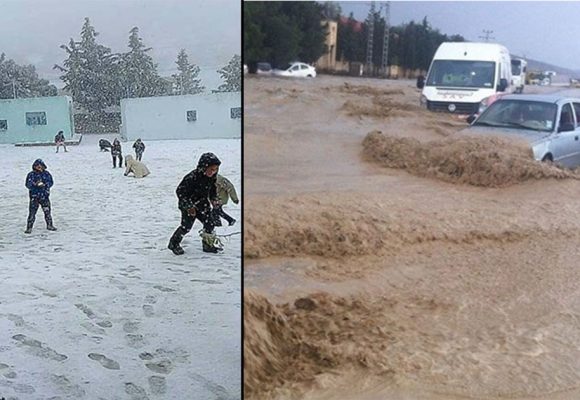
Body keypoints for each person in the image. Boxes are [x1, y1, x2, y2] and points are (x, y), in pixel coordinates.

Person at [168, 152, 223, 255]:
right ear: (203, 167)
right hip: (188, 205)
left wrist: (214, 199)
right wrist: (188, 206)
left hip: (202, 203)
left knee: (209, 223)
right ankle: (174, 243)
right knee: (186, 226)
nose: (213, 172)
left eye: (215, 169)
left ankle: (207, 244)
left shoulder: (211, 178)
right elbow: (180, 192)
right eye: (211, 169)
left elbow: (212, 190)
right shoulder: (191, 177)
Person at [25, 159, 56, 233]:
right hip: (34, 197)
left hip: (44, 196)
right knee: (32, 213)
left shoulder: (46, 174)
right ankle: (29, 227)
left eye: (40, 166)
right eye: (37, 166)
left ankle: (49, 225)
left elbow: (51, 182)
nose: (39, 167)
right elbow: (28, 184)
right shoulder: (31, 174)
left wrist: (45, 185)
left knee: (47, 212)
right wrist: (35, 185)